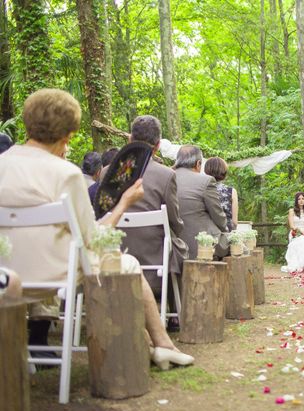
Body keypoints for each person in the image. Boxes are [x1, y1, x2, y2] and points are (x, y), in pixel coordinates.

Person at [0, 89, 192, 369]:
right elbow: (94, 240)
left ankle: (158, 346)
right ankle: (162, 345)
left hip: (8, 273)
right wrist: (124, 202)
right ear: (68, 134)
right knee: (127, 262)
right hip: (57, 275)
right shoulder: (65, 174)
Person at [117, 115, 188, 294]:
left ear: (130, 139)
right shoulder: (166, 175)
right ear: (157, 146)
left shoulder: (106, 173)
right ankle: (174, 312)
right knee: (179, 246)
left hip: (116, 261)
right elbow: (175, 222)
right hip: (154, 264)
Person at [174, 146, 229, 259]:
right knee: (236, 243)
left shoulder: (166, 177)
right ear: (198, 163)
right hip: (201, 245)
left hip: (172, 245)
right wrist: (225, 231)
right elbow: (218, 215)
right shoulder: (205, 181)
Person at [281, 192, 304, 273]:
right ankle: (299, 264)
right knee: (300, 242)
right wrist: (300, 230)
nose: (301, 200)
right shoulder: (292, 211)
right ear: (296, 200)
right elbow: (292, 225)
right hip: (295, 232)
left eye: (303, 199)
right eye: (299, 199)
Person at [204, 156, 238, 232]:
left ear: (206, 171)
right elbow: (234, 222)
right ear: (224, 172)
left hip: (206, 236)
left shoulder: (201, 189)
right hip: (226, 234)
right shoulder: (231, 191)